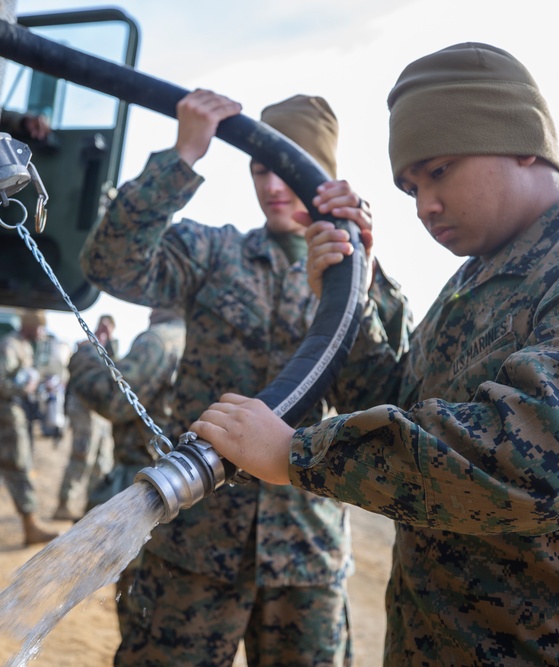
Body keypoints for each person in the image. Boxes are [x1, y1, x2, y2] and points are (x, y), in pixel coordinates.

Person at [190, 43, 559, 666]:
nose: (424, 206)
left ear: (523, 141)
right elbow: (398, 402)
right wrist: (354, 291)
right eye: (411, 187)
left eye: (439, 171)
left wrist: (298, 454)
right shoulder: (469, 287)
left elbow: (548, 460)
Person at [80, 89, 406, 666]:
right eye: (261, 169)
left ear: (323, 174)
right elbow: (111, 266)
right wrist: (181, 157)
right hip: (195, 547)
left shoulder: (364, 277)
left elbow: (377, 399)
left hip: (305, 555)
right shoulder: (212, 251)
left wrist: (364, 275)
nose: (275, 187)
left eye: (290, 170)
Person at [67, 306, 186, 640]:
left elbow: (117, 402)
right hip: (186, 488)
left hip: (152, 492)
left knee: (141, 618)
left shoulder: (159, 341)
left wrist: (86, 356)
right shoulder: (198, 339)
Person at [0, 308, 60, 547]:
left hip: (13, 409)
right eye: (39, 326)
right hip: (6, 411)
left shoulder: (25, 347)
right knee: (19, 464)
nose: (41, 332)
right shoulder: (10, 346)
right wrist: (22, 389)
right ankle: (30, 525)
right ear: (28, 325)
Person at [53, 315, 117, 521]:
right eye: (101, 328)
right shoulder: (85, 347)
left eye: (108, 329)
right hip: (83, 410)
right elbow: (75, 375)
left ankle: (92, 505)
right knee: (82, 454)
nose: (104, 332)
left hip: (102, 415)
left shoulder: (112, 351)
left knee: (101, 460)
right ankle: (65, 503)